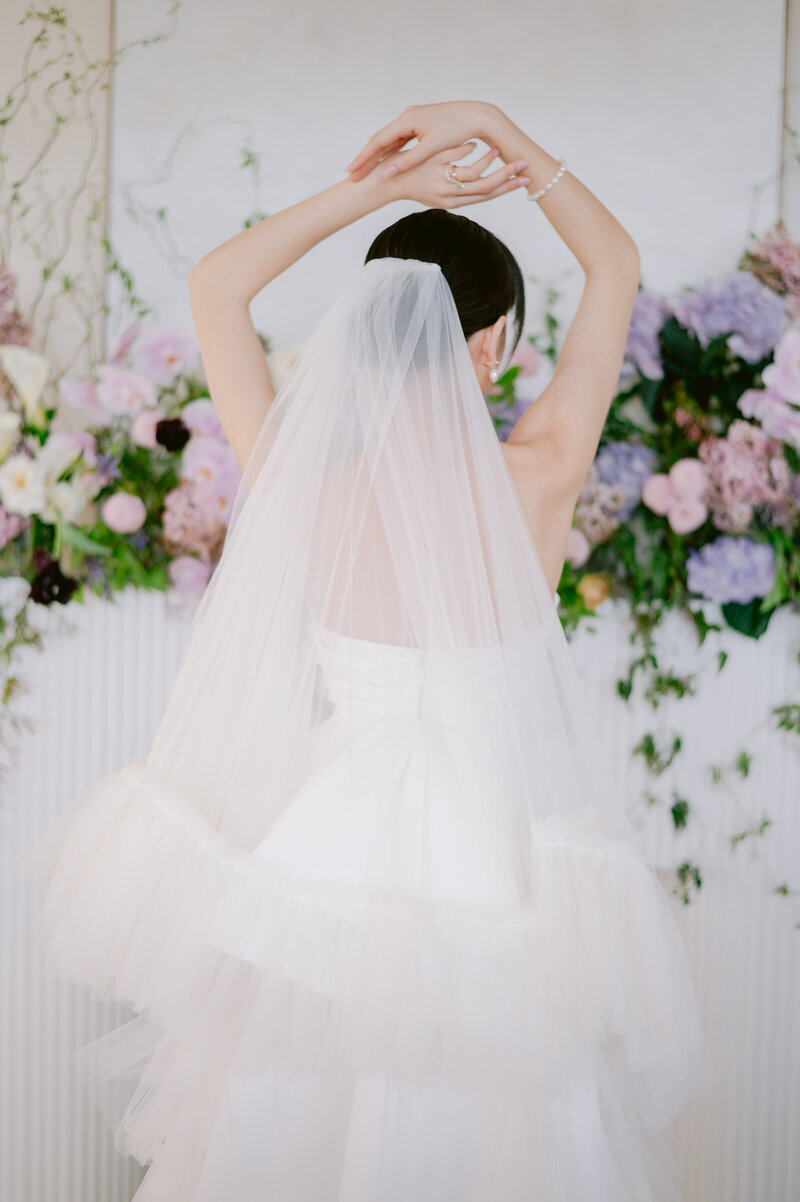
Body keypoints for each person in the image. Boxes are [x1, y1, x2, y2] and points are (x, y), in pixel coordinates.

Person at [25, 100, 711, 1201]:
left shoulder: (298, 467)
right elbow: (614, 261)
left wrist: (386, 187)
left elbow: (214, 285)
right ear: (493, 344)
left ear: (365, 329)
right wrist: (501, 134)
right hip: (482, 853)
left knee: (284, 1109)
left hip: (321, 844)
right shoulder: (537, 472)